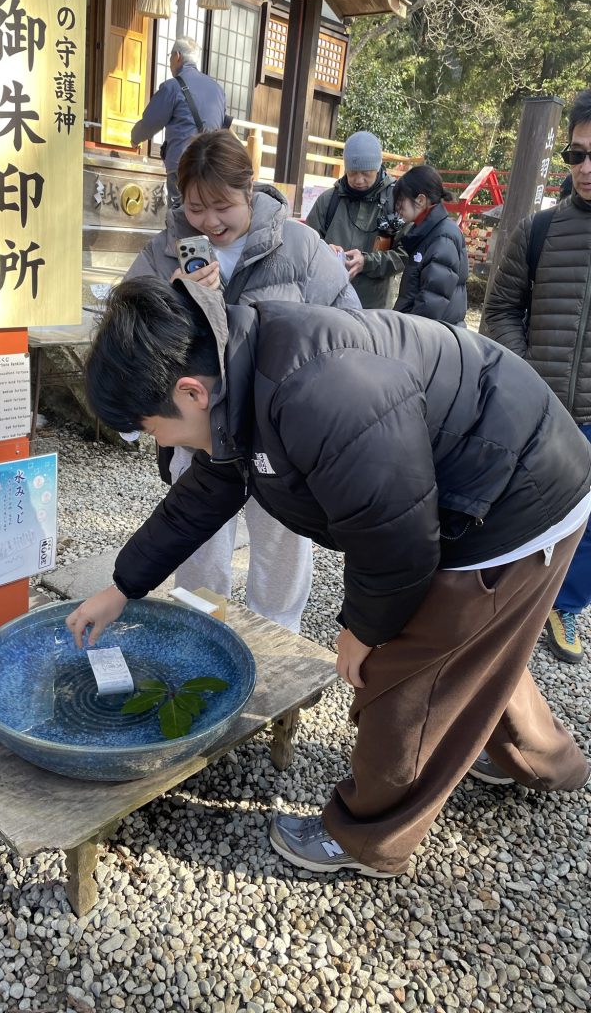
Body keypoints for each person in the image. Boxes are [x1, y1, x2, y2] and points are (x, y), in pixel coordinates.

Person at [66, 275, 591, 879]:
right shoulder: (235, 372)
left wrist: (362, 629)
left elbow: (395, 539)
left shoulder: (318, 391)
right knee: (472, 643)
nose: (154, 441)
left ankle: (369, 839)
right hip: (491, 475)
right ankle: (542, 760)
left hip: (514, 495)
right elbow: (208, 490)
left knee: (405, 676)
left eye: (149, 427)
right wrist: (122, 586)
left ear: (189, 392)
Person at [125, 129, 361, 632]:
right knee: (199, 537)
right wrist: (174, 300)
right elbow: (127, 332)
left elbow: (349, 323)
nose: (209, 222)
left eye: (222, 206)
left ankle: (277, 635)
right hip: (200, 428)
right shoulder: (165, 252)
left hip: (282, 432)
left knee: (281, 539)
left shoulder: (298, 244)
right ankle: (200, 630)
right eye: (195, 207)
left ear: (249, 190)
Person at [483, 87, 591, 664]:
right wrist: (525, 375)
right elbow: (500, 309)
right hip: (541, 411)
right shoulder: (540, 230)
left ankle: (565, 604)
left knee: (590, 525)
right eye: (576, 155)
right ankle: (497, 605)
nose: (585, 167)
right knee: (509, 508)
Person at [305, 131, 407, 308]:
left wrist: (367, 262)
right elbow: (307, 245)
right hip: (328, 303)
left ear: (378, 167)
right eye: (352, 173)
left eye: (366, 173)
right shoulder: (329, 200)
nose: (359, 180)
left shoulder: (396, 202)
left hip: (373, 308)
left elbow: (405, 254)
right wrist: (324, 251)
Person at [130, 37, 227, 208]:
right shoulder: (217, 89)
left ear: (176, 56)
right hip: (211, 166)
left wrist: (135, 138)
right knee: (203, 213)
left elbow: (151, 122)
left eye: (170, 57)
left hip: (183, 165)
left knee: (180, 215)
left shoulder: (172, 87)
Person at [392, 165, 468, 324]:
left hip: (432, 336)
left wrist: (406, 334)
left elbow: (431, 302)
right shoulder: (427, 231)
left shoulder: (443, 236)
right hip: (425, 331)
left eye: (401, 201)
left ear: (420, 200)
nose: (397, 209)